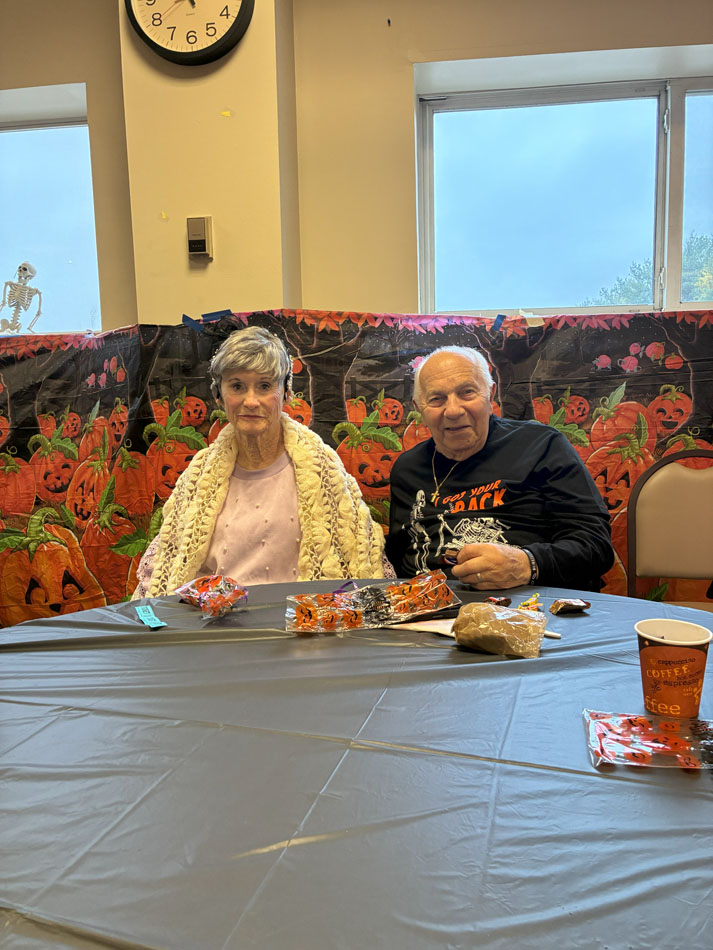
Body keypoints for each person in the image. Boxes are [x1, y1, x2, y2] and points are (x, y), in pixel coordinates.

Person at [134, 326, 385, 597]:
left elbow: (363, 559)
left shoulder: (324, 469)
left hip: (303, 619)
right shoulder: (197, 478)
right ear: (218, 395)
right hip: (218, 620)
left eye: (265, 386)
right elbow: (162, 568)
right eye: (237, 386)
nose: (251, 401)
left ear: (287, 392)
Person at [386, 346, 614, 591]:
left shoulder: (542, 445)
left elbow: (596, 545)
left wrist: (527, 565)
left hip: (528, 603)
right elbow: (400, 554)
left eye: (467, 392)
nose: (453, 410)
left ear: (490, 395)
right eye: (436, 399)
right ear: (419, 408)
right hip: (426, 606)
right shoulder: (406, 469)